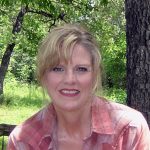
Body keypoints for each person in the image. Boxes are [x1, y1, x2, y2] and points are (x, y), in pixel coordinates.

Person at [7, 23, 150, 150]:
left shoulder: (129, 130)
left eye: (81, 69)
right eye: (57, 69)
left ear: (95, 75)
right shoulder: (24, 140)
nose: (70, 79)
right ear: (43, 76)